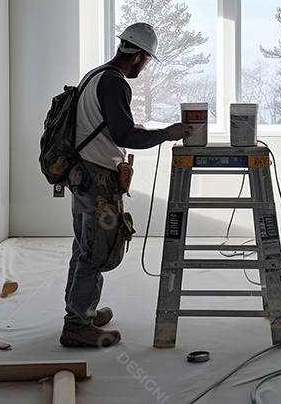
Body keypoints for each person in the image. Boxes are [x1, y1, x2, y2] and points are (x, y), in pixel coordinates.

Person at [60, 22, 194, 348]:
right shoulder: (114, 83)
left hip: (82, 172)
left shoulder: (96, 75)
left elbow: (107, 126)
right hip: (96, 178)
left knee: (84, 245)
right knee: (94, 250)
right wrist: (166, 133)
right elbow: (123, 136)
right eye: (147, 61)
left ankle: (82, 310)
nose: (144, 67)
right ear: (140, 57)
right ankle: (77, 325)